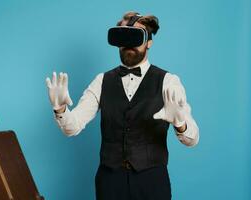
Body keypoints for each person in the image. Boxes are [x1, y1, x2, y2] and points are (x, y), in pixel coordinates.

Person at [45, 11, 199, 200]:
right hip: (110, 181)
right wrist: (60, 109)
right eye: (123, 36)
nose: (129, 44)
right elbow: (72, 127)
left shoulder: (169, 81)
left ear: (149, 42)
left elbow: (192, 140)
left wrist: (180, 123)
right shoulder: (102, 81)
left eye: (135, 36)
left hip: (152, 181)